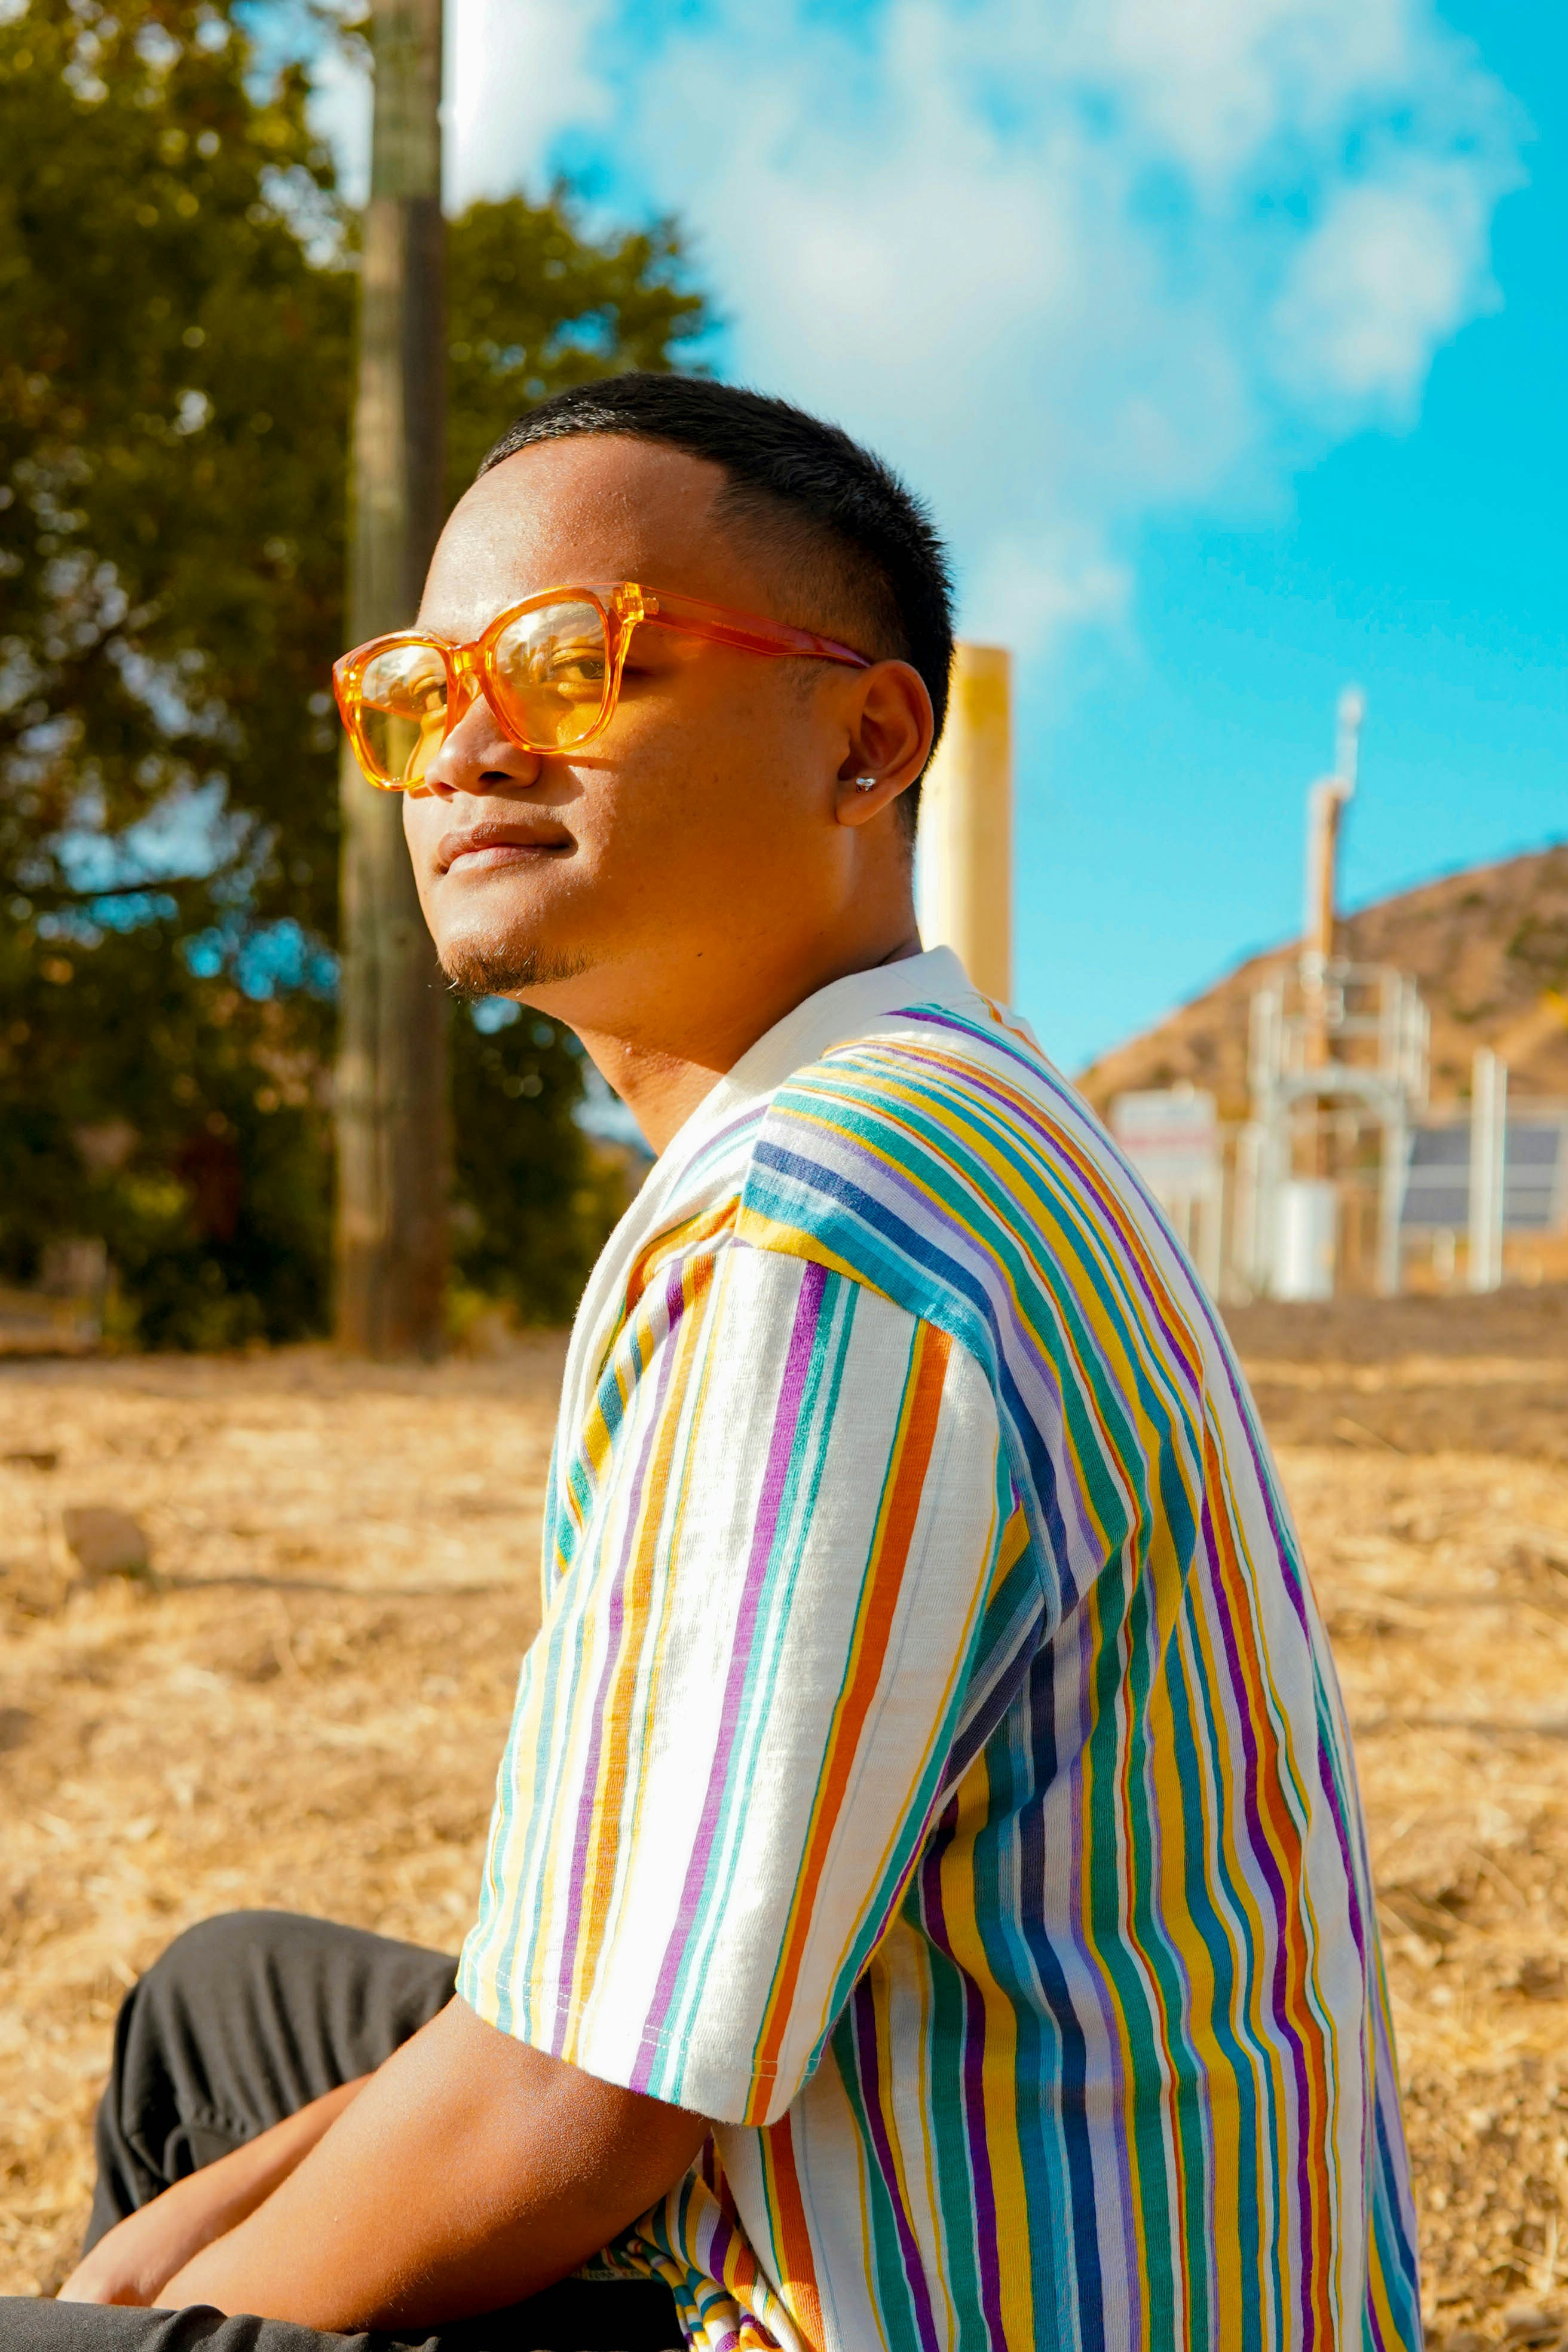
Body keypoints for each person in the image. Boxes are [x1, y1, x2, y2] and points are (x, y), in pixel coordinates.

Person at [8, 376, 1423, 2352]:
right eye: (420, 693)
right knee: (220, 2019)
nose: (472, 744)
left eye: (575, 663)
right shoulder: (948, 1093)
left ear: (868, 741)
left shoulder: (818, 1227)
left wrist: (143, 2302)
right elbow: (598, 1996)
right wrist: (223, 2218)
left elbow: (597, 2104)